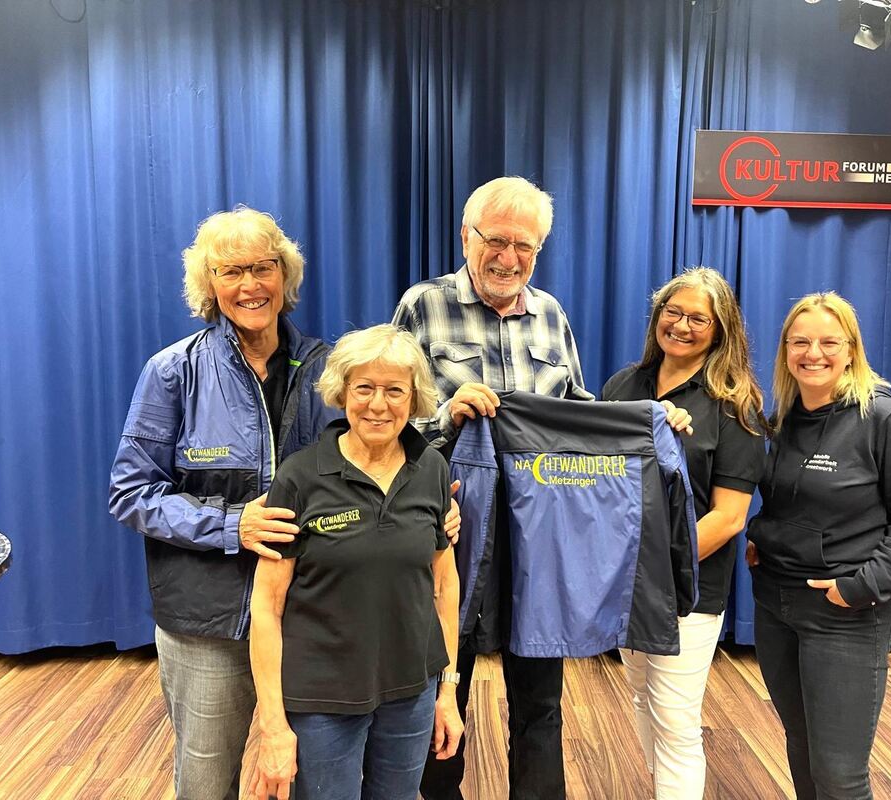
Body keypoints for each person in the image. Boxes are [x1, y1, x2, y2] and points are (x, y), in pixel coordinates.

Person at [109, 208, 460, 799]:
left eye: (263, 267)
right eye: (231, 271)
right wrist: (231, 525)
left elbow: (381, 444)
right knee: (206, 781)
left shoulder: (327, 366)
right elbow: (131, 493)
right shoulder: (173, 372)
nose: (250, 285)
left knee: (310, 779)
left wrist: (427, 507)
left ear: (285, 274)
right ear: (209, 284)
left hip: (318, 625)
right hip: (210, 621)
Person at [393, 176, 592, 800]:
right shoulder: (422, 305)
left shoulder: (551, 314)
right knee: (442, 686)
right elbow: (383, 417)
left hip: (538, 538)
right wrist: (446, 416)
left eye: (524, 246)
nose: (509, 258)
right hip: (451, 531)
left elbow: (577, 411)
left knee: (541, 698)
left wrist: (650, 421)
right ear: (466, 236)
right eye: (496, 241)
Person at [248, 324, 463, 800]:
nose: (378, 405)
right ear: (342, 392)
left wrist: (447, 689)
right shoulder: (300, 477)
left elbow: (445, 585)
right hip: (321, 698)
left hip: (411, 691)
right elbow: (266, 607)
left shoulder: (431, 469)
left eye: (395, 391)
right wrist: (273, 726)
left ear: (415, 398)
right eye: (364, 388)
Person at [746, 292, 891, 799]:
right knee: (801, 745)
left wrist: (859, 588)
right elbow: (787, 501)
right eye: (800, 342)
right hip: (775, 606)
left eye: (829, 343)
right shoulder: (785, 419)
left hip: (845, 614)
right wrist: (761, 535)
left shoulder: (883, 420)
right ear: (785, 350)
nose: (814, 353)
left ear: (851, 350)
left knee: (839, 773)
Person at [602, 267, 767, 800]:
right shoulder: (622, 386)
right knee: (641, 696)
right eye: (673, 312)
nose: (681, 325)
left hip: (687, 589)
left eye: (699, 318)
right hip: (622, 584)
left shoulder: (734, 405)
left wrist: (657, 564)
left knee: (676, 718)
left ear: (721, 330)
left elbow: (730, 516)